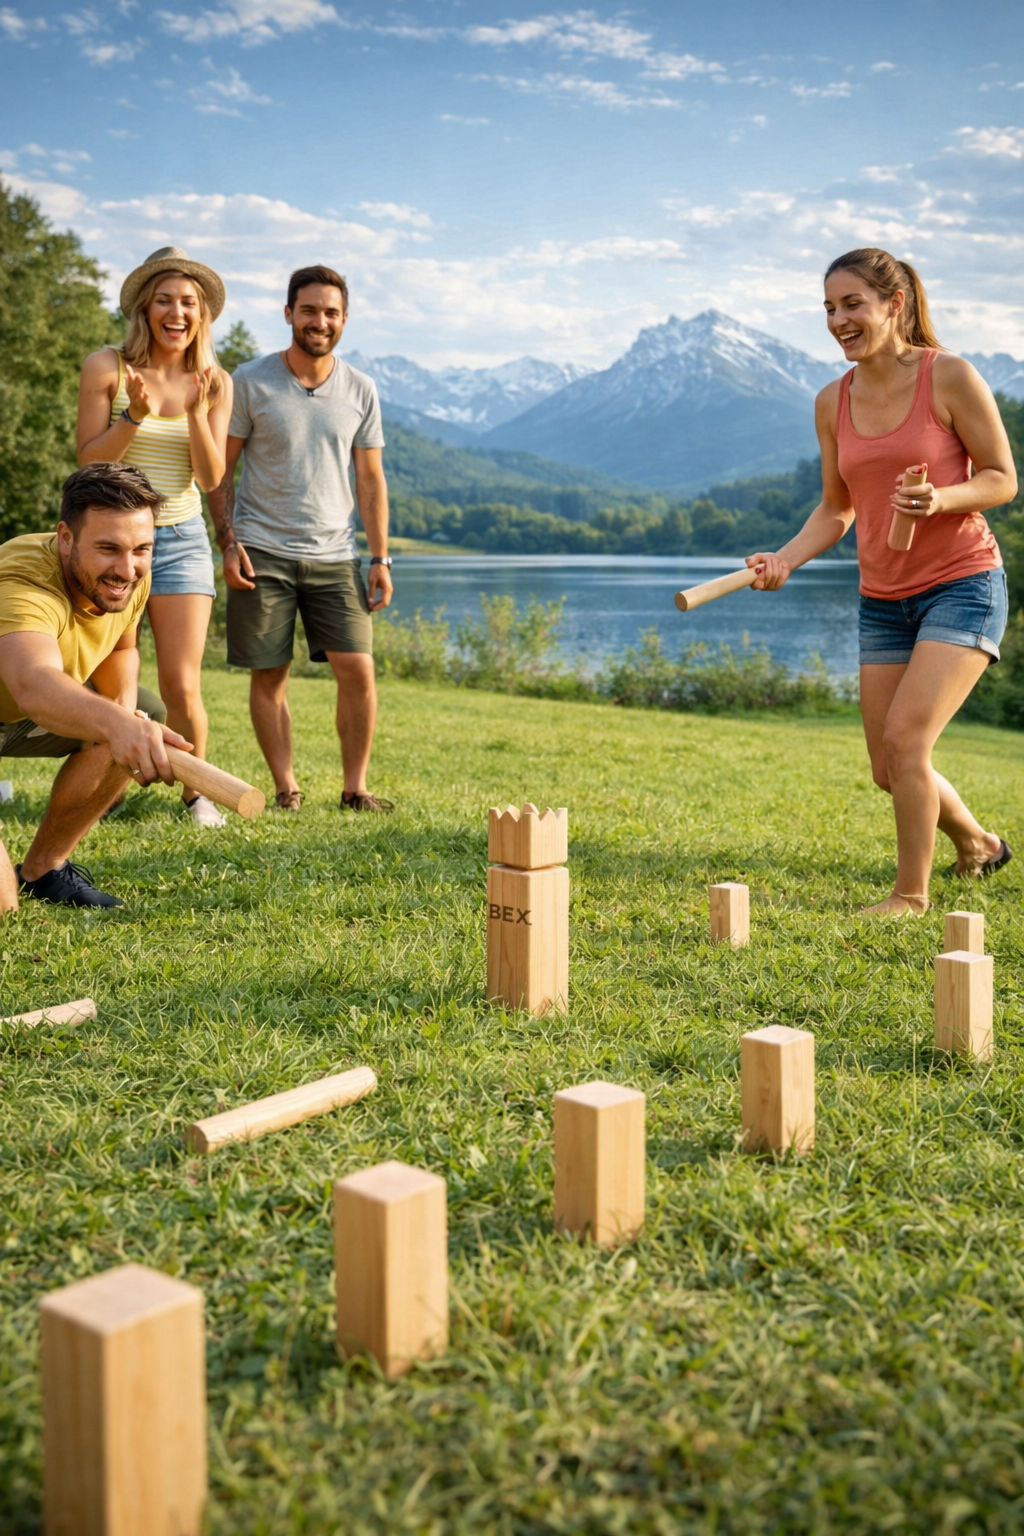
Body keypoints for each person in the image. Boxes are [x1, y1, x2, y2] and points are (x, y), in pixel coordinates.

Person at [747, 247, 1016, 915]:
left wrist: (943, 500)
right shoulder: (830, 401)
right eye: (829, 309)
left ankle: (910, 896)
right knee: (886, 767)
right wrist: (784, 558)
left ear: (893, 305)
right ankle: (980, 844)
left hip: (963, 583)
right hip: (883, 599)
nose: (838, 320)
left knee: (906, 742)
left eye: (852, 305)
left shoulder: (948, 376)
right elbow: (836, 509)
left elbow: (1002, 479)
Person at [208, 263, 394, 813]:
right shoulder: (250, 380)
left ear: (344, 319)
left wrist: (381, 557)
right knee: (270, 673)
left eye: (331, 312)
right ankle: (287, 787)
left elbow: (370, 480)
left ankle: (355, 789)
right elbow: (222, 469)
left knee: (358, 669)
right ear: (289, 313)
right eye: (309, 310)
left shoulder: (361, 388)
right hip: (262, 550)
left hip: (337, 555)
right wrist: (227, 541)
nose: (320, 321)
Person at [77, 246, 233, 828]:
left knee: (181, 680)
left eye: (188, 302)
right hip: (114, 540)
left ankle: (198, 793)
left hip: (182, 537)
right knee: (116, 675)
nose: (177, 311)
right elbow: (87, 464)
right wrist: (134, 416)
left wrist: (194, 410)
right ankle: (106, 786)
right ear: (145, 307)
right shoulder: (107, 368)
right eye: (164, 299)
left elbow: (213, 477)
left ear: (201, 315)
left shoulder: (216, 382)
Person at [0, 463, 193, 909]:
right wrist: (116, 723)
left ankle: (44, 869)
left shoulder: (126, 579)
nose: (127, 568)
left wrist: (121, 721)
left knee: (139, 710)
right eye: (108, 548)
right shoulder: (23, 580)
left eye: (142, 548)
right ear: (66, 538)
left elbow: (123, 649)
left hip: (16, 714)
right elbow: (33, 682)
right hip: (26, 698)